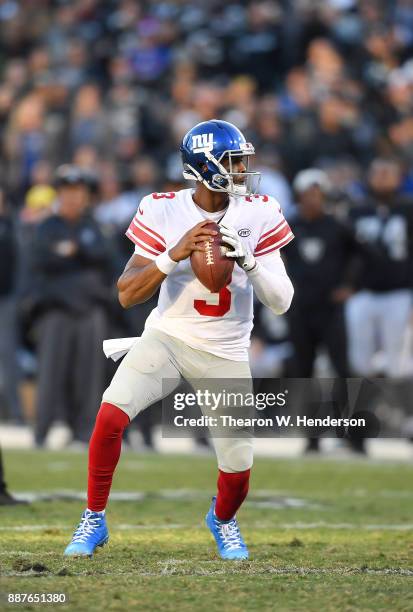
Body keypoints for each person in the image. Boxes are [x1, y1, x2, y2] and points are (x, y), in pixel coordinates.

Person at [64, 119, 294, 560]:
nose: (244, 168)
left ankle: (222, 520)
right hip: (168, 337)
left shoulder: (261, 210)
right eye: (233, 161)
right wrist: (173, 255)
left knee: (238, 466)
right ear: (206, 167)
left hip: (225, 351)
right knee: (110, 416)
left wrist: (249, 261)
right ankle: (94, 518)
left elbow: (282, 301)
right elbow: (127, 293)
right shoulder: (162, 208)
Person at [29, 165, 113, 446]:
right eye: (67, 192)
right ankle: (42, 432)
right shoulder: (47, 227)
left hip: (90, 309)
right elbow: (42, 261)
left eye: (78, 192)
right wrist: (79, 256)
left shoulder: (94, 226)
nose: (73, 198)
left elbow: (106, 258)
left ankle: (83, 432)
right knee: (51, 373)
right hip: (56, 309)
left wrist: (74, 252)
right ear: (59, 194)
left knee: (88, 376)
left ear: (85, 196)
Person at [283, 169, 361, 453]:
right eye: (308, 195)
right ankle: (311, 438)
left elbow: (360, 256)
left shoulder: (338, 226)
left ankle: (353, 436)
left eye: (317, 194)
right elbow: (275, 259)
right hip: (301, 308)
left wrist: (349, 285)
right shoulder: (289, 227)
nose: (313, 200)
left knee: (343, 370)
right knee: (304, 373)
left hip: (330, 308)